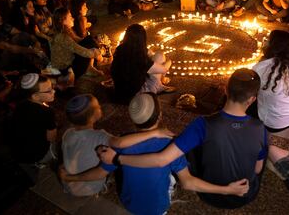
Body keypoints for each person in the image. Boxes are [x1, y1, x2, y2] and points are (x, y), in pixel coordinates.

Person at [99, 69, 267, 209]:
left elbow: (161, 160)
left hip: (211, 195)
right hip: (245, 193)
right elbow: (258, 170)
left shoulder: (202, 125)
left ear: (225, 90)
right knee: (262, 152)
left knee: (190, 147)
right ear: (252, 99)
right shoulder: (260, 128)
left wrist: (117, 158)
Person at [59, 92, 249, 212]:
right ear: (160, 115)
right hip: (157, 208)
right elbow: (189, 183)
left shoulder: (120, 143)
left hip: (129, 202)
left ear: (134, 120)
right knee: (175, 174)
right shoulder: (170, 146)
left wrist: (71, 178)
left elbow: (100, 172)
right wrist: (227, 189)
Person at [59, 93, 176, 196]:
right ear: (93, 116)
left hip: (68, 185)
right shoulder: (100, 137)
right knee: (110, 157)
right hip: (87, 188)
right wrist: (154, 133)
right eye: (98, 106)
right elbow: (119, 143)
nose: (100, 107)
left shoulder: (68, 133)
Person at [252, 30, 289, 132]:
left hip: (273, 124)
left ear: (272, 46)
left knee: (244, 95)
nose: (265, 41)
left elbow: (252, 92)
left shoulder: (261, 67)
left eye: (268, 40)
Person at [10, 73, 57, 183]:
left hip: (18, 151)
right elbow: (51, 138)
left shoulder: (20, 104)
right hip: (36, 154)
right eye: (49, 90)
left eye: (52, 88)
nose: (53, 91)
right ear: (35, 96)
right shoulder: (47, 112)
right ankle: (42, 164)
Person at [110, 24, 173, 104]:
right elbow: (163, 69)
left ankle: (160, 82)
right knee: (160, 58)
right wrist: (169, 62)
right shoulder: (140, 58)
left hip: (119, 93)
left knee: (157, 56)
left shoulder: (120, 49)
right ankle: (159, 86)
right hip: (135, 96)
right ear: (142, 39)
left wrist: (149, 53)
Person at [50, 7, 102, 81]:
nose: (73, 18)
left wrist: (95, 41)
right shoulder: (62, 37)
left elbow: (80, 41)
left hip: (69, 60)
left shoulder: (65, 31)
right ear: (63, 21)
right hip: (65, 70)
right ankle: (89, 69)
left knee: (89, 40)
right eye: (70, 17)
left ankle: (90, 67)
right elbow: (84, 52)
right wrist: (98, 52)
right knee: (89, 48)